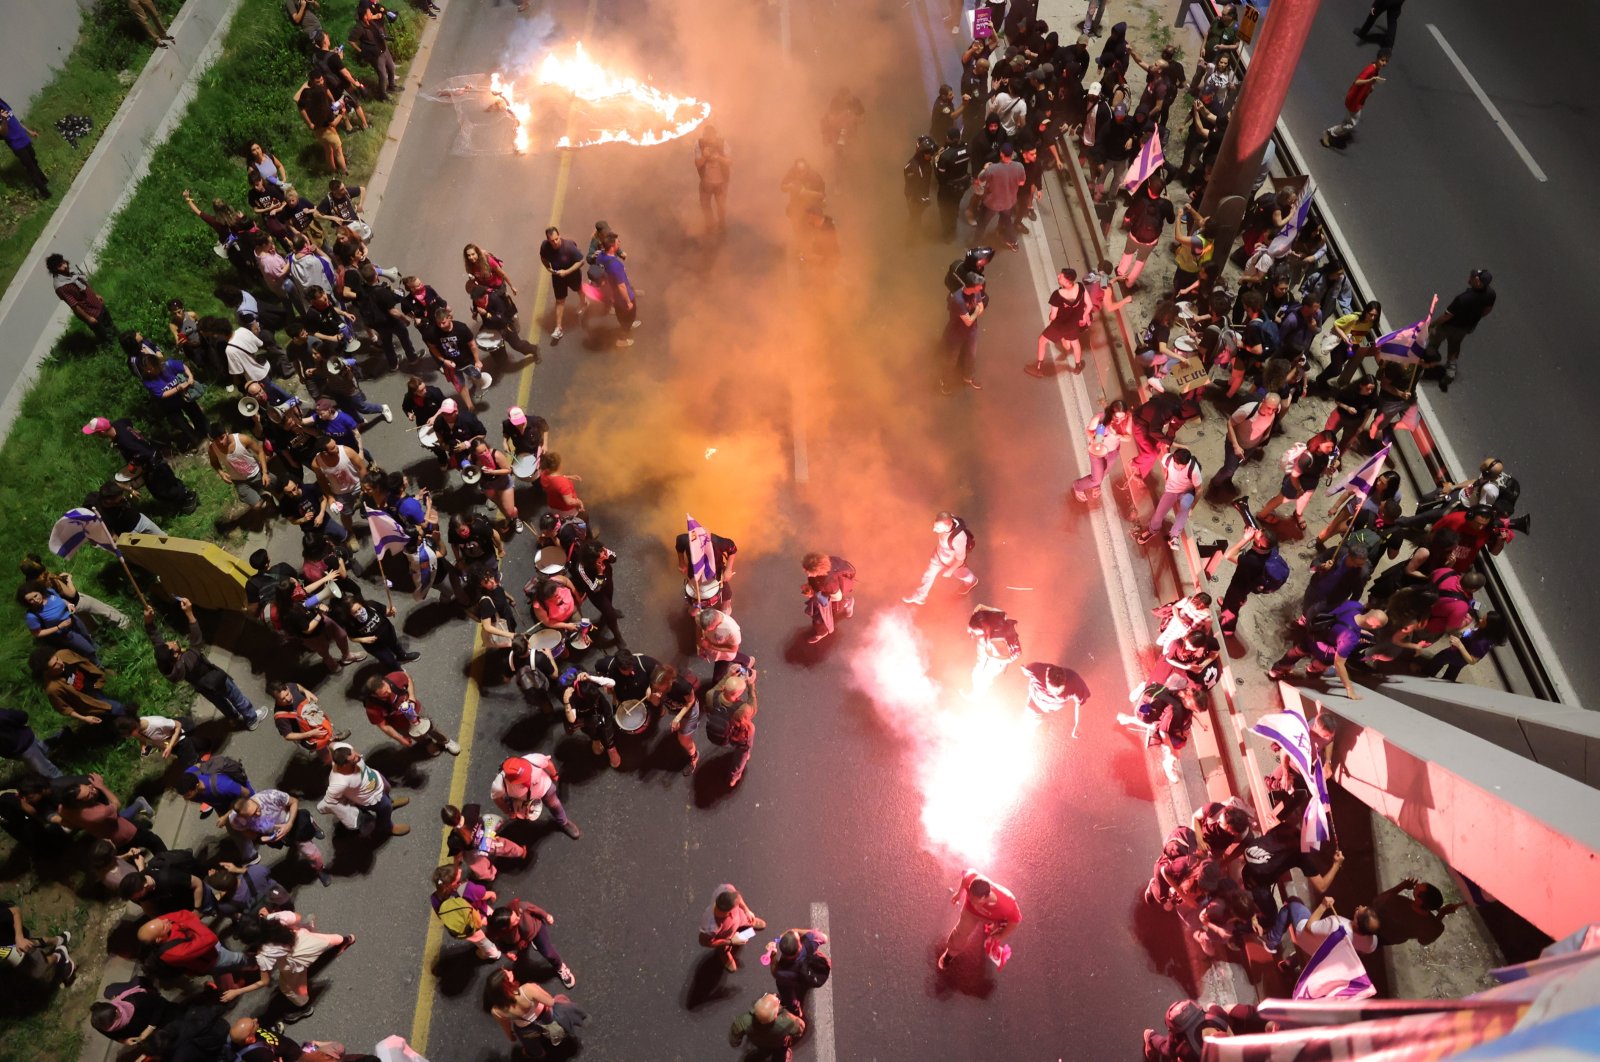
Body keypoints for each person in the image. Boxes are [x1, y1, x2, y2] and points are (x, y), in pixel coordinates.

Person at [144, 599, 260, 729]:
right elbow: (197, 641)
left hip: (204, 686)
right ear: (175, 655)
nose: (170, 642)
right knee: (234, 695)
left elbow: (157, 642)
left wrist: (148, 622)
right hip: (216, 679)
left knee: (219, 701)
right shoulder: (188, 660)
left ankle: (232, 717)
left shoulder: (166, 666)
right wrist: (189, 613)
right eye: (170, 645)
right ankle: (251, 718)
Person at [1268, 602, 1388, 700]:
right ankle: (1311, 672)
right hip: (1325, 652)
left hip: (1315, 635)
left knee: (1297, 652)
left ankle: (1276, 670)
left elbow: (1344, 620)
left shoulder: (1354, 605)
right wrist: (1349, 689)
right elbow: (1339, 664)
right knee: (1320, 666)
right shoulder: (1350, 638)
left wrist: (1359, 631)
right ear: (1374, 626)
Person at [222, 789, 329, 885]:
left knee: (312, 853)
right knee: (294, 841)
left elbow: (294, 801)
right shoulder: (235, 820)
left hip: (292, 822)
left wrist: (289, 824)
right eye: (252, 815)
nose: (258, 814)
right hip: (276, 835)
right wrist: (259, 838)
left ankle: (320, 868)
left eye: (257, 809)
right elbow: (246, 831)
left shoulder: (271, 796)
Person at [486, 967, 587, 1056]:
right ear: (507, 985)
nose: (509, 971)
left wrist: (510, 1036)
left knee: (530, 1041)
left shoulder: (496, 1011)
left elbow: (505, 1026)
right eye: (507, 974)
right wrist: (537, 987)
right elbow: (550, 1002)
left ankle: (538, 1053)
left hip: (525, 1029)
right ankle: (558, 1035)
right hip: (546, 1016)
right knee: (558, 1014)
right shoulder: (528, 989)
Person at [1423, 268, 1495, 391]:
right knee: (1454, 346)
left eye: (1472, 277)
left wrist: (1432, 324)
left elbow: (1447, 316)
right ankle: (1450, 371)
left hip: (1448, 326)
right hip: (1464, 328)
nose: (1470, 278)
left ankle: (1429, 360)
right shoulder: (1490, 294)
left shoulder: (1463, 299)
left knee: (1433, 341)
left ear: (1477, 281)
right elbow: (1486, 311)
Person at [318, 742, 409, 837]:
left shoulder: (343, 749)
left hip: (376, 779)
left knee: (387, 790)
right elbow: (328, 801)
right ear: (344, 765)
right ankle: (388, 827)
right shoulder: (339, 781)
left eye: (354, 753)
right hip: (371, 798)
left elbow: (332, 744)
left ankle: (390, 802)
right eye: (354, 758)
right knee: (385, 809)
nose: (358, 756)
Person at [937, 869, 1022, 971]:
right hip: (971, 913)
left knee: (998, 929)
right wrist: (959, 894)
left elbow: (1015, 921)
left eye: (975, 901)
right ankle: (950, 954)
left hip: (993, 917)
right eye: (970, 898)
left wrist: (1001, 936)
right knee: (960, 934)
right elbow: (966, 878)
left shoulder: (1007, 905)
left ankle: (991, 925)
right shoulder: (972, 878)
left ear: (986, 897)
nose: (972, 903)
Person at [1118, 676, 1198, 783]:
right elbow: (1161, 730)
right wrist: (1171, 749)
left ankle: (1127, 718)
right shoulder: (1174, 706)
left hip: (1160, 713)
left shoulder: (1177, 700)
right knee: (1151, 724)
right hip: (1160, 719)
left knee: (1149, 723)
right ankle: (1168, 766)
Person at [363, 671, 460, 757]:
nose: (389, 692)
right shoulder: (372, 707)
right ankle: (428, 744)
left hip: (416, 711)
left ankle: (445, 741)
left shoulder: (395, 678)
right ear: (374, 695)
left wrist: (412, 698)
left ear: (384, 681)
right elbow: (383, 725)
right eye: (384, 693)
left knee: (432, 727)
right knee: (417, 735)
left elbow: (408, 678)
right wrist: (400, 739)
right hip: (401, 724)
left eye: (388, 688)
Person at [1258, 432, 1340, 531]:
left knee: (1305, 499)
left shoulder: (1325, 455)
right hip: (1295, 484)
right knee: (1282, 499)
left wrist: (1329, 470)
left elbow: (1321, 471)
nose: (1331, 450)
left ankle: (1298, 514)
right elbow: (1294, 476)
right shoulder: (1306, 457)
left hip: (1311, 482)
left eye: (1332, 447)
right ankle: (1261, 515)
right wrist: (1299, 489)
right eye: (1328, 447)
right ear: (1319, 443)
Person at [486, 898, 577, 988]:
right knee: (521, 961)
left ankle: (560, 967)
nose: (518, 918)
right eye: (514, 921)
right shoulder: (497, 933)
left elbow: (535, 909)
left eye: (516, 916)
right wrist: (506, 953)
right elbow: (500, 944)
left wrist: (546, 916)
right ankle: (531, 943)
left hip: (536, 930)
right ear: (505, 929)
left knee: (549, 954)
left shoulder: (520, 908)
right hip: (521, 942)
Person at [137, 909, 254, 977]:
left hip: (205, 952)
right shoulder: (175, 953)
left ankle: (230, 981)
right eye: (163, 926)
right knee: (236, 958)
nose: (166, 920)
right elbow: (211, 938)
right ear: (158, 939)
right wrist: (187, 923)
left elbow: (185, 913)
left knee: (222, 974)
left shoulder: (160, 925)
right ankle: (253, 963)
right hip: (212, 959)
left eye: (160, 919)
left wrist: (190, 923)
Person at [1206, 394, 1282, 498]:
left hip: (1251, 446)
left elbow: (1269, 423)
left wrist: (1265, 437)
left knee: (1236, 465)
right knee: (1229, 468)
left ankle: (1227, 479)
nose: (1270, 412)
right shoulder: (1247, 411)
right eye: (1268, 408)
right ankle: (1215, 483)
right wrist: (1236, 446)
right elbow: (1230, 424)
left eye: (1274, 409)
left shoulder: (1275, 410)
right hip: (1236, 444)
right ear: (1263, 401)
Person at [1217, 526, 1287, 636]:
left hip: (1239, 587)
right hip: (1249, 582)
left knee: (1231, 608)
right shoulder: (1270, 549)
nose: (1256, 531)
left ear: (1259, 543)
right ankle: (1230, 604)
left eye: (1258, 534)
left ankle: (1228, 629)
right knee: (1236, 599)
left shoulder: (1252, 561)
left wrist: (1245, 539)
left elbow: (1228, 555)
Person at [491, 756, 582, 838]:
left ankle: (564, 822)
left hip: (544, 788)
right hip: (522, 800)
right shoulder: (499, 785)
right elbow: (496, 798)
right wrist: (508, 811)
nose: (528, 779)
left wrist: (554, 774)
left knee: (555, 804)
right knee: (521, 812)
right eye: (522, 779)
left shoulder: (533, 759)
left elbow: (548, 763)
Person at [904, 511, 978, 604]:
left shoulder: (959, 538)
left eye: (937, 528)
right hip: (938, 556)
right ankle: (920, 596)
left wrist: (950, 571)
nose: (934, 529)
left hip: (952, 562)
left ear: (947, 525)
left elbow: (960, 559)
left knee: (963, 575)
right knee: (928, 574)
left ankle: (972, 581)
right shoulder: (950, 519)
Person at [432, 863, 501, 961]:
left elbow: (441, 915)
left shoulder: (435, 898)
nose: (460, 870)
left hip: (466, 926)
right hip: (480, 913)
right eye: (458, 879)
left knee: (480, 940)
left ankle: (491, 953)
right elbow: (483, 895)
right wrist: (492, 894)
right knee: (492, 921)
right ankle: (496, 944)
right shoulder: (467, 888)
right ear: (453, 884)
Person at [1322, 50, 1390, 149]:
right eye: (1382, 60)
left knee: (1348, 120)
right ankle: (1329, 132)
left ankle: (1339, 130)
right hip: (1355, 100)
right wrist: (1370, 80)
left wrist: (1370, 87)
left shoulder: (1376, 69)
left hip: (1358, 100)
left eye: (1386, 61)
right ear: (1377, 58)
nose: (1384, 63)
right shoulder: (1370, 69)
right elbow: (1357, 82)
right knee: (1352, 124)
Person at [1137, 448, 1203, 549]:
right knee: (1159, 514)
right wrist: (1166, 473)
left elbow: (1199, 490)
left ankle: (1174, 536)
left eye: (1184, 467)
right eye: (1179, 466)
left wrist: (1192, 508)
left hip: (1187, 492)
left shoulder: (1193, 469)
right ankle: (1152, 531)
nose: (1181, 469)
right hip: (1171, 490)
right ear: (1174, 460)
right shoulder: (1167, 459)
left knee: (1185, 507)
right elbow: (1164, 466)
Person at [1367, 875, 1461, 946]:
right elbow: (1424, 941)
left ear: (1420, 900)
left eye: (1420, 887)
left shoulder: (1395, 902)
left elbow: (1376, 901)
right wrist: (1441, 914)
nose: (1418, 884)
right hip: (1392, 939)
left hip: (1373, 927)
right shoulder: (1433, 925)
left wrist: (1402, 886)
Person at [443, 803, 526, 882]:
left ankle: (490, 875)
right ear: (457, 810)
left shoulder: (453, 839)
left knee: (475, 863)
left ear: (449, 825)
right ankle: (520, 852)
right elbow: (483, 818)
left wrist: (456, 870)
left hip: (473, 851)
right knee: (502, 845)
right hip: (487, 837)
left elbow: (457, 856)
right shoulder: (469, 809)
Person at [1029, 267, 1089, 376]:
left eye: (1060, 276)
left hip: (1059, 326)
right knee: (1075, 344)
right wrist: (1083, 317)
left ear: (1066, 281)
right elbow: (1088, 305)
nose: (1058, 276)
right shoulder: (1080, 287)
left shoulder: (1057, 295)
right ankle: (1077, 366)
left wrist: (1050, 317)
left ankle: (1038, 369)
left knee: (1042, 341)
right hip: (1074, 324)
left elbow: (1053, 316)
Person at [1073, 399, 1133, 502]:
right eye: (1117, 417)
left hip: (1113, 452)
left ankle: (1095, 486)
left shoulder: (1128, 417)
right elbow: (1089, 431)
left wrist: (1117, 435)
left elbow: (1128, 438)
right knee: (1097, 478)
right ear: (1111, 414)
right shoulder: (1100, 418)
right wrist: (1098, 436)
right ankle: (1078, 486)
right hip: (1097, 453)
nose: (1119, 421)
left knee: (1104, 472)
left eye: (1122, 417)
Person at [940, 272, 988, 394]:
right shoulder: (958, 300)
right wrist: (976, 311)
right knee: (952, 359)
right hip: (956, 334)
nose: (981, 288)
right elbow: (969, 321)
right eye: (979, 286)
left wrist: (975, 312)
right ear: (971, 286)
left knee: (971, 355)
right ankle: (945, 381)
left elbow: (980, 307)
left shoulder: (975, 292)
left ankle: (968, 377)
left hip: (971, 332)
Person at [764, 927, 829, 1019]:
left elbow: (775, 973)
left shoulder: (783, 971)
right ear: (799, 946)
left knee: (788, 995)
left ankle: (796, 1010)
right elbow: (824, 938)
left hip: (795, 979)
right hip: (810, 966)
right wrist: (797, 931)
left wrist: (773, 957)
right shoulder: (810, 940)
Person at [701, 884, 766, 972]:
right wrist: (731, 941)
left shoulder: (726, 889)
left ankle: (748, 921)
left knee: (742, 917)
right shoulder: (711, 926)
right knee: (725, 945)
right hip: (726, 935)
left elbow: (737, 898)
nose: (738, 905)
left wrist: (747, 911)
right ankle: (724, 951)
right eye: (736, 906)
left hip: (738, 918)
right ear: (728, 912)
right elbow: (705, 942)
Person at [973, 144, 1026, 250]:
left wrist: (985, 168)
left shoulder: (992, 169)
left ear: (1001, 154)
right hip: (1008, 202)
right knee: (1007, 221)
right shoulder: (1019, 167)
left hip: (992, 204)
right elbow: (1021, 183)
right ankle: (1013, 242)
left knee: (982, 224)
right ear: (1012, 154)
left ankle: (975, 246)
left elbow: (979, 180)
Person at [538, 227, 585, 343]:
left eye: (556, 239)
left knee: (578, 289)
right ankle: (558, 328)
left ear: (559, 236)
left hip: (572, 274)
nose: (555, 243)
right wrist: (548, 268)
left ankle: (584, 302)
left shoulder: (569, 247)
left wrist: (567, 272)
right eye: (552, 241)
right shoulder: (545, 246)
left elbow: (581, 261)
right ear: (548, 240)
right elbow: (543, 257)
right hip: (558, 276)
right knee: (559, 300)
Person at [594, 231, 640, 347]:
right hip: (622, 298)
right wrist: (628, 301)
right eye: (617, 242)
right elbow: (621, 286)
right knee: (627, 316)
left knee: (622, 315)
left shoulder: (600, 257)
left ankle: (627, 323)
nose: (619, 242)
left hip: (613, 295)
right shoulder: (616, 265)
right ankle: (622, 339)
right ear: (613, 247)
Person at [729, 993, 805, 1062]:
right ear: (775, 1015)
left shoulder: (743, 1020)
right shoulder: (785, 1021)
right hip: (778, 1043)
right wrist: (787, 1014)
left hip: (758, 1042)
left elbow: (734, 1040)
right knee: (780, 1053)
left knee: (763, 1050)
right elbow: (800, 1028)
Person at [801, 553, 857, 644]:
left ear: (818, 571)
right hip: (841, 580)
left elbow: (837, 597)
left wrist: (815, 596)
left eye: (809, 571)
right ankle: (847, 604)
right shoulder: (827, 561)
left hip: (838, 588)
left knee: (820, 611)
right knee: (822, 603)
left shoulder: (827, 583)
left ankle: (822, 631)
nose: (807, 573)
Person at [967, 604, 1021, 696]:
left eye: (975, 633)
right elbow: (979, 607)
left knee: (988, 670)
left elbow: (1006, 658)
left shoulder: (995, 640)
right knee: (982, 666)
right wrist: (970, 628)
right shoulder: (987, 617)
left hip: (1001, 652)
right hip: (998, 637)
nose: (975, 635)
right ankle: (978, 689)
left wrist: (991, 656)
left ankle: (980, 691)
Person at [1021, 662, 1091, 734]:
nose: (1055, 694)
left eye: (1058, 692)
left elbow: (1079, 704)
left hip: (1049, 709)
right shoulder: (1036, 669)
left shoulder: (1075, 682)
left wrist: (1077, 724)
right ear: (1046, 674)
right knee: (1028, 725)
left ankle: (1042, 719)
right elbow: (1024, 669)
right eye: (1052, 689)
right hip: (1034, 703)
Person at [0, 97, 50, 197]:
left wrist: (29, 131)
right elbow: (3, 133)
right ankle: (45, 193)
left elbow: (15, 121)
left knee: (34, 161)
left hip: (24, 138)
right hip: (17, 144)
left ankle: (44, 180)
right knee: (30, 168)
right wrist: (4, 120)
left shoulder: (3, 104)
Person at [0, 709, 62, 779]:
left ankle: (70, 787)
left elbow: (21, 716)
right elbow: (22, 716)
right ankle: (63, 735)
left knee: (49, 773)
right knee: (40, 750)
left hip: (24, 746)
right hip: (22, 745)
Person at [695, 125, 733, 234]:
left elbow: (730, 162)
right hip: (706, 183)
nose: (709, 139)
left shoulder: (723, 143)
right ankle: (710, 226)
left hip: (721, 183)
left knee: (721, 207)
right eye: (706, 136)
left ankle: (722, 227)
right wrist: (704, 156)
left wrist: (719, 158)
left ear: (715, 135)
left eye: (711, 136)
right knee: (705, 205)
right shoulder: (699, 145)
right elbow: (698, 164)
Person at [903, 135, 936, 230]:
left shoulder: (925, 162)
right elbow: (912, 188)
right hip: (914, 200)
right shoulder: (913, 168)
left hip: (922, 197)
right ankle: (911, 240)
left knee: (917, 217)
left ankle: (916, 231)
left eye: (931, 152)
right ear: (921, 152)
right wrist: (920, 198)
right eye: (928, 152)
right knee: (914, 218)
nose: (930, 155)